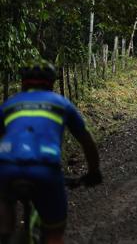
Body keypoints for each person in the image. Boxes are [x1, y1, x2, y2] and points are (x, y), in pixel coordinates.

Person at [0, 61, 102, 244]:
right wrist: (94, 171)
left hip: (7, 168)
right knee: (54, 233)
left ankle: (5, 233)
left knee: (4, 211)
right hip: (45, 169)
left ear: (23, 83)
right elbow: (87, 141)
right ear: (52, 83)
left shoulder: (8, 105)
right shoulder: (61, 103)